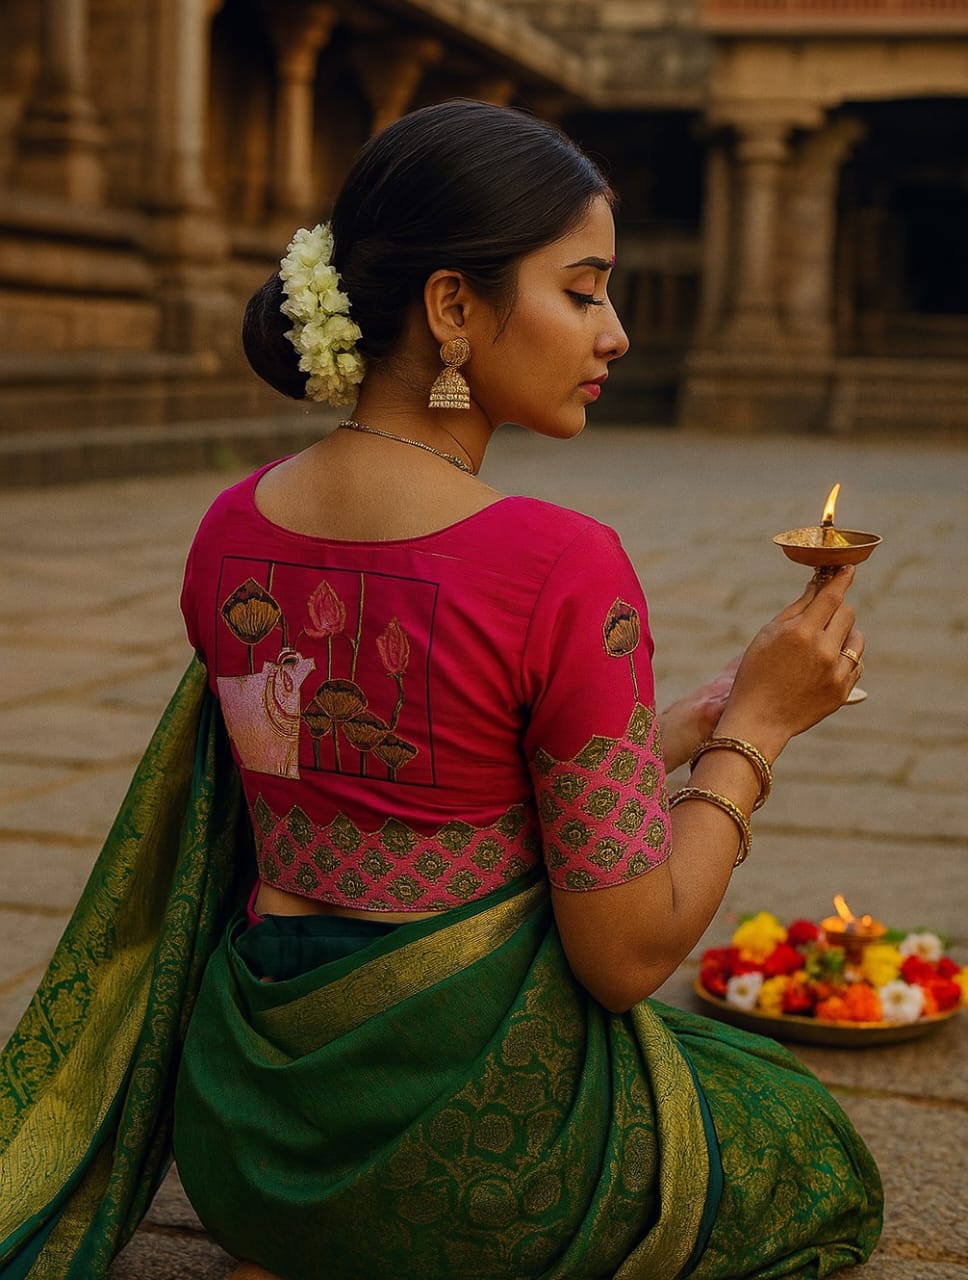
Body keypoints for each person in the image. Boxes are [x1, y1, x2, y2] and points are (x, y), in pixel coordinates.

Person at [0, 100, 881, 1280]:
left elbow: (387, 773)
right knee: (810, 1145)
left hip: (252, 1153)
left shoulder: (230, 527)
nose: (614, 331)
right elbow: (622, 957)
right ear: (453, 307)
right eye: (581, 290)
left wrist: (666, 731)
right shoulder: (560, 562)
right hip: (468, 1171)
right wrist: (757, 733)